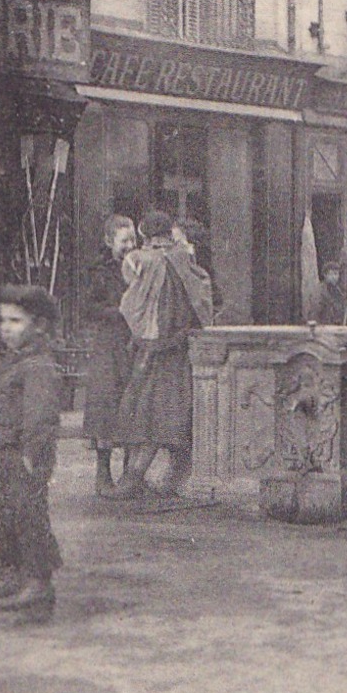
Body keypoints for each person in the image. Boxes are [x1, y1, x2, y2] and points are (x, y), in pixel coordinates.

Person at [107, 212, 213, 501]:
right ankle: (172, 480)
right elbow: (202, 300)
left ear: (145, 234)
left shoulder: (144, 260)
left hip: (155, 350)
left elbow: (131, 303)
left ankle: (133, 479)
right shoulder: (185, 260)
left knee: (150, 413)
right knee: (177, 415)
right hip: (180, 348)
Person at [0, 285, 63, 624]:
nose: (5, 328)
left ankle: (38, 581)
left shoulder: (37, 365)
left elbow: (40, 415)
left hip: (23, 455)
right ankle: (13, 574)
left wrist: (32, 454)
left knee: (29, 515)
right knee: (4, 514)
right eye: (2, 320)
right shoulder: (13, 361)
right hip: (3, 452)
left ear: (39, 326)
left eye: (15, 321)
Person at [82, 214, 137, 495]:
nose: (130, 246)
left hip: (133, 344)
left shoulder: (139, 267)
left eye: (133, 240)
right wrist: (119, 312)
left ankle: (130, 476)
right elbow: (89, 309)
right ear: (109, 241)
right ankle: (103, 475)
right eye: (124, 240)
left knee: (132, 406)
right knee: (106, 408)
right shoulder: (99, 272)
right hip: (108, 344)